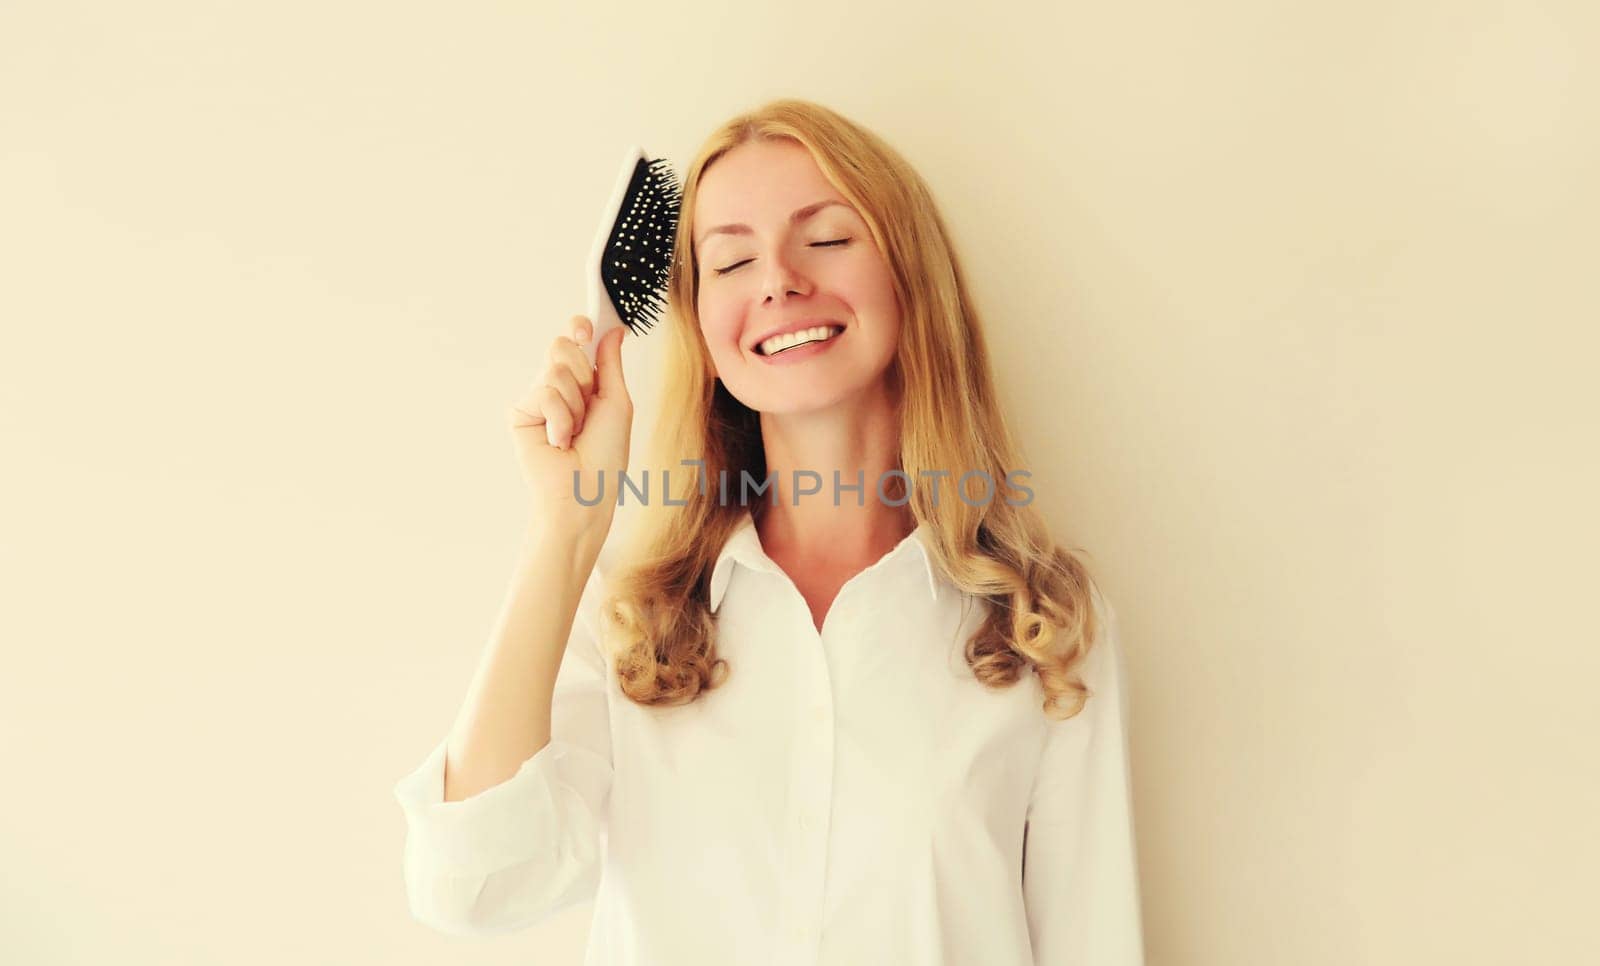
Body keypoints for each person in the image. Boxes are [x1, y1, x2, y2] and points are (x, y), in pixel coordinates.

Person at [392, 98, 1146, 965]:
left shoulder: (1043, 630)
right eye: (733, 259)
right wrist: (568, 530)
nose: (778, 280)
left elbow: (1095, 942)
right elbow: (468, 887)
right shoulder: (636, 631)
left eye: (825, 239)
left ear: (910, 277)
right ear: (705, 330)